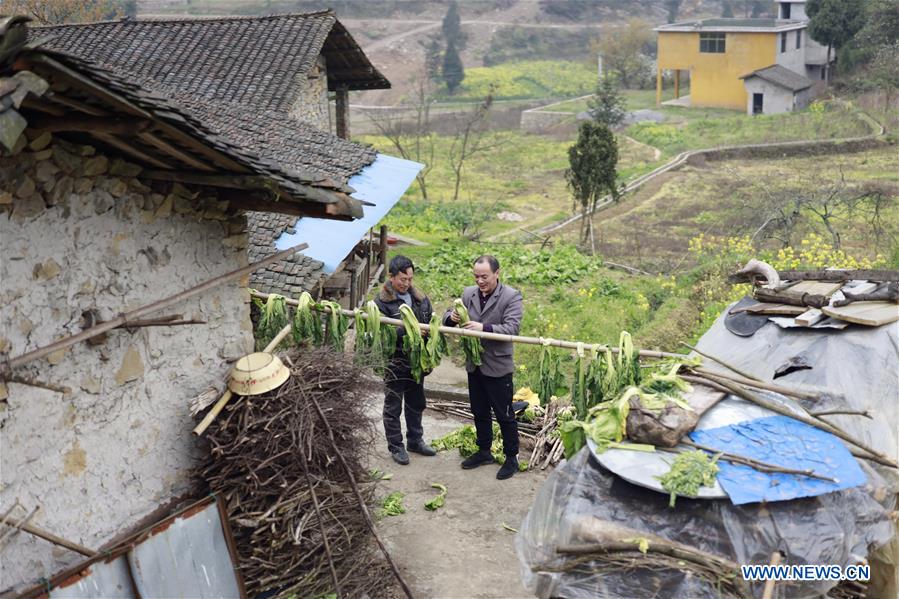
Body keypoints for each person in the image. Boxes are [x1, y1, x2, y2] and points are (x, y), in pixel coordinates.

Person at [445, 255, 523, 480]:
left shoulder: (511, 296)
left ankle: (511, 458)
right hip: (474, 365)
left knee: (505, 414)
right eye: (476, 276)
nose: (480, 281)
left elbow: (512, 329)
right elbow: (447, 319)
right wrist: (451, 317)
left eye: (485, 277)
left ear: (497, 274)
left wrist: (483, 327)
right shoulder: (468, 293)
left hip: (497, 365)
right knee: (479, 411)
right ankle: (484, 451)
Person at [375, 255, 437, 466]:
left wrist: (430, 332)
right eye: (402, 279)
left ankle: (415, 440)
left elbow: (429, 319)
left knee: (416, 403)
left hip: (416, 362)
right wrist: (408, 331)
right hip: (394, 362)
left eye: (410, 279)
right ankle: (396, 446)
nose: (407, 284)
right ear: (391, 277)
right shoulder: (382, 302)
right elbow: (383, 332)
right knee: (393, 406)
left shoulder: (420, 298)